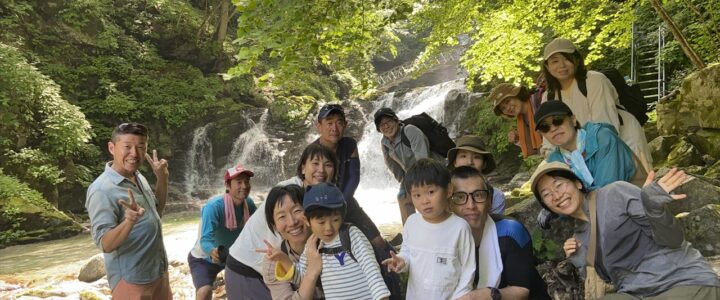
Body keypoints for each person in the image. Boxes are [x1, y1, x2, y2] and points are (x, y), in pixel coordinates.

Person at [529, 161, 720, 299]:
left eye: (559, 185)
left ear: (578, 183)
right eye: (546, 195)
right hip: (637, 293)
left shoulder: (616, 193)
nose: (556, 195)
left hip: (679, 281)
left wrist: (654, 208)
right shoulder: (579, 236)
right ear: (547, 206)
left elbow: (674, 240)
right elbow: (608, 279)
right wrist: (581, 260)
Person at [224, 143, 338, 299]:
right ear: (303, 167)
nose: (321, 170)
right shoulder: (287, 193)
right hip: (248, 267)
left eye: (328, 165)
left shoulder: (323, 196)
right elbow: (289, 235)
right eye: (315, 163)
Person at [314, 104, 402, 299]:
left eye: (339, 122)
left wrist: (342, 205)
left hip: (347, 203)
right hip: (321, 209)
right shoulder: (313, 151)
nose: (334, 128)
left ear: (345, 125)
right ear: (318, 125)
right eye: (329, 123)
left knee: (378, 242)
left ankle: (392, 287)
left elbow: (354, 178)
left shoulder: (349, 145)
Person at [85, 122, 172, 298]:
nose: (134, 153)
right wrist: (129, 221)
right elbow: (105, 244)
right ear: (112, 148)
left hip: (157, 273)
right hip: (132, 281)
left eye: (141, 147)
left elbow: (157, 212)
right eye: (127, 147)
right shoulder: (102, 190)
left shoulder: (138, 176)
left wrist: (162, 179)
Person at [541, 37, 652, 171]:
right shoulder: (549, 96)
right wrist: (552, 156)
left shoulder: (594, 80)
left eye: (567, 58)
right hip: (582, 153)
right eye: (555, 61)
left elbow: (605, 124)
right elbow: (549, 132)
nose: (562, 65)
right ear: (547, 66)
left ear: (576, 60)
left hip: (623, 140)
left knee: (639, 186)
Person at [277, 182, 391, 300]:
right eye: (321, 222)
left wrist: (382, 297)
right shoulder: (312, 245)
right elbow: (301, 277)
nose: (329, 228)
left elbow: (371, 268)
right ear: (307, 220)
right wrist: (283, 260)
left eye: (335, 220)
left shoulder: (351, 234)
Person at [450, 166, 550, 300]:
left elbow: (522, 290)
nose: (471, 205)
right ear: (449, 204)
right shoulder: (441, 241)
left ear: (490, 201)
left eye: (478, 195)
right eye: (460, 197)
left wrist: (490, 294)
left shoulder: (510, 231)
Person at [382, 158, 475, 300]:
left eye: (431, 192)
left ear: (449, 190)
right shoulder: (412, 223)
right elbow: (407, 252)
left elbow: (468, 270)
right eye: (417, 195)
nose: (424, 201)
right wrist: (401, 261)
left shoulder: (460, 228)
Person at [187, 163, 257, 300]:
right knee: (204, 292)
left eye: (246, 181)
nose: (244, 186)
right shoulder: (213, 207)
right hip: (204, 258)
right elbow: (205, 240)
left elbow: (259, 226)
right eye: (239, 182)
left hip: (232, 256)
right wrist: (212, 251)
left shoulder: (248, 203)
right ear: (227, 185)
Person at [375, 107, 442, 224]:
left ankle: (436, 224)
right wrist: (403, 181)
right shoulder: (384, 143)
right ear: (379, 129)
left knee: (428, 196)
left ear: (396, 120)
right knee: (403, 197)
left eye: (388, 121)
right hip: (411, 174)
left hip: (433, 169)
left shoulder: (410, 131)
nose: (386, 126)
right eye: (382, 125)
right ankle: (410, 231)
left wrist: (417, 183)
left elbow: (423, 159)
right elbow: (391, 164)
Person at [260, 184, 324, 300]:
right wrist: (312, 273)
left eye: (297, 210)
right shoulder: (273, 263)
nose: (292, 222)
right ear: (274, 226)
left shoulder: (334, 243)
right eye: (282, 216)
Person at [447, 135, 506, 214]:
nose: (469, 162)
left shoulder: (496, 196)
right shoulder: (442, 192)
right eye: (463, 156)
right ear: (455, 162)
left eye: (476, 157)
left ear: (484, 164)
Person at [489, 83, 543, 158]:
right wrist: (518, 139)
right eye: (503, 108)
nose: (507, 108)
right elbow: (537, 150)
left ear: (517, 94)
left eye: (507, 101)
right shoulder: (523, 120)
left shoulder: (540, 100)